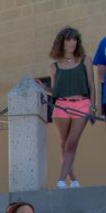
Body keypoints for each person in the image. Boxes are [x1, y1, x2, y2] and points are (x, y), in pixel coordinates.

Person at [46, 27, 96, 189]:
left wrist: (93, 106)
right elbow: (54, 90)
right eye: (69, 39)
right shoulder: (54, 66)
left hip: (82, 104)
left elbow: (91, 85)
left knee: (72, 143)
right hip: (61, 105)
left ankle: (61, 180)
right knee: (63, 144)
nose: (72, 43)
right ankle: (73, 179)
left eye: (75, 39)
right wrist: (43, 88)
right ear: (62, 42)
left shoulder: (85, 60)